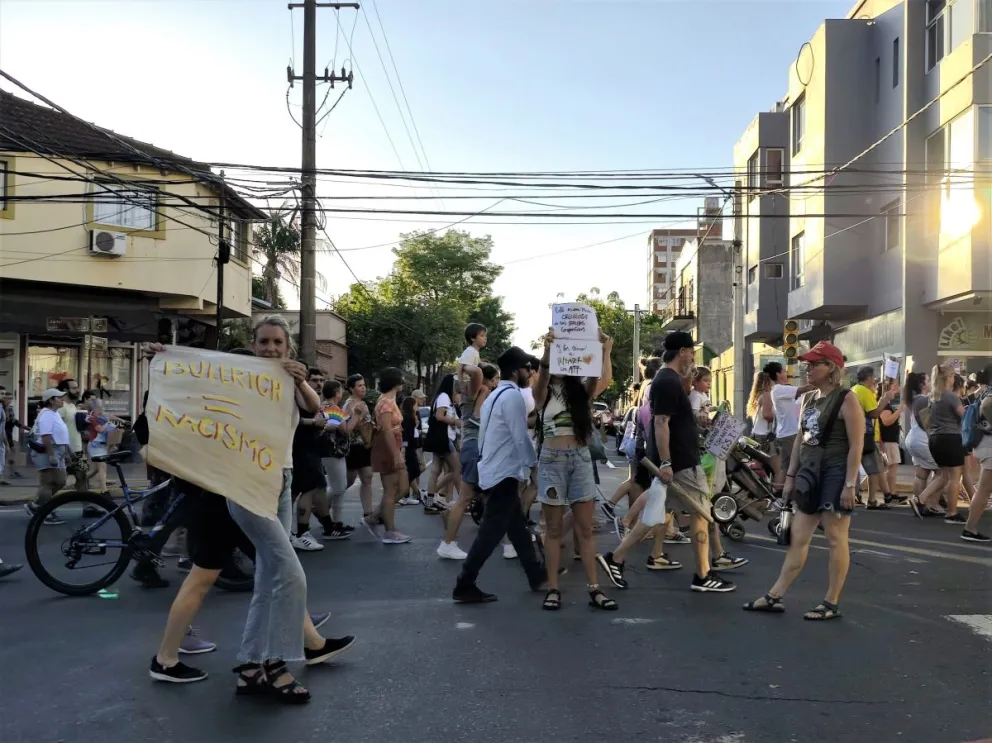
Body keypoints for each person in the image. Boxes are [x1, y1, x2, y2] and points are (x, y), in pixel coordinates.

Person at [148, 321, 350, 694]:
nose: (271, 348)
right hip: (241, 485)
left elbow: (313, 407)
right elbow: (193, 390)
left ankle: (252, 663)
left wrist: (301, 378)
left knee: (266, 578)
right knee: (287, 574)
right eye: (263, 342)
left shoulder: (288, 380)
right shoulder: (238, 379)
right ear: (253, 345)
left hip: (277, 482)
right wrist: (167, 361)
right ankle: (275, 662)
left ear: (288, 347)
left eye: (278, 342)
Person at [598, 331, 736, 593]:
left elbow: (672, 420)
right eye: (691, 354)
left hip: (678, 462)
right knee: (700, 516)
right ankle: (703, 576)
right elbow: (661, 423)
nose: (693, 360)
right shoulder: (666, 381)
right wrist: (666, 463)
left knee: (655, 515)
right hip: (681, 462)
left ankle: (615, 558)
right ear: (683, 352)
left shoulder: (671, 380)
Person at [743, 341, 864, 620]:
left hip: (835, 474)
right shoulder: (809, 398)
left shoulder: (847, 398)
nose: (807, 369)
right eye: (807, 364)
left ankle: (831, 603)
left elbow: (856, 445)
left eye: (814, 364)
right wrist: (789, 477)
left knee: (835, 537)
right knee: (798, 536)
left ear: (831, 368)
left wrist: (849, 484)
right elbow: (800, 438)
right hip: (809, 474)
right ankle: (774, 595)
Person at [453, 346, 548, 603]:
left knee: (516, 527)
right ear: (518, 371)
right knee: (489, 534)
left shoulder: (496, 395)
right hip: (503, 473)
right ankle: (464, 583)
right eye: (528, 368)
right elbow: (520, 437)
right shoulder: (513, 398)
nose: (530, 373)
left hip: (495, 470)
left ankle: (536, 575)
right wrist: (533, 468)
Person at [531, 328, 617, 611]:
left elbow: (600, 378)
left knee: (585, 530)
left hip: (579, 458)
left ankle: (595, 589)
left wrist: (604, 349)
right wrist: (546, 351)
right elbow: (541, 380)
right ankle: (553, 588)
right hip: (551, 460)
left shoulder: (581, 390)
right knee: (554, 530)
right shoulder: (543, 391)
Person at [437, 362, 499, 560]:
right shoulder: (484, 390)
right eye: (496, 377)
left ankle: (507, 543)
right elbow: (478, 417)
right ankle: (448, 542)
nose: (498, 382)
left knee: (491, 497)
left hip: (470, 445)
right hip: (476, 447)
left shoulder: (466, 391)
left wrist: (462, 369)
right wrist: (464, 365)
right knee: (467, 498)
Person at [369, 367, 412, 544]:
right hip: (388, 448)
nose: (403, 381)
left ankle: (374, 517)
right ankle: (390, 531)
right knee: (391, 490)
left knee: (402, 488)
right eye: (401, 378)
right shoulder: (386, 402)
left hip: (394, 445)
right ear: (395, 381)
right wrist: (396, 454)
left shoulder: (388, 400)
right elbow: (386, 430)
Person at [291, 368, 330, 552]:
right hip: (299, 448)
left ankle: (294, 533)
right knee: (305, 490)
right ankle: (301, 533)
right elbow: (292, 419)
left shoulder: (311, 397)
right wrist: (314, 423)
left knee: (300, 490)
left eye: (322, 380)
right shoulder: (296, 393)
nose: (319, 383)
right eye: (315, 380)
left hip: (310, 448)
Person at [318, 379, 360, 539]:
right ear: (337, 393)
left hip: (329, 451)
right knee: (339, 487)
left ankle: (337, 521)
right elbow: (346, 430)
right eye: (341, 390)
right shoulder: (333, 408)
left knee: (338, 487)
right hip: (333, 451)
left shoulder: (323, 407)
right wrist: (356, 415)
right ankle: (320, 508)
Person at [928, 364, 968, 524]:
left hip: (936, 439)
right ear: (947, 378)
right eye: (952, 376)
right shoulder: (950, 396)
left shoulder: (933, 396)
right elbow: (964, 416)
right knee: (954, 478)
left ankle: (922, 499)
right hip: (951, 438)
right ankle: (952, 512)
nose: (954, 379)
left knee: (943, 475)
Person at [25, 388, 71, 525]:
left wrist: (67, 452)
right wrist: (51, 455)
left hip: (59, 451)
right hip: (46, 451)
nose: (62, 399)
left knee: (61, 481)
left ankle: (35, 505)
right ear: (51, 400)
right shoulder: (46, 415)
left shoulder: (54, 414)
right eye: (59, 397)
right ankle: (44, 511)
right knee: (48, 482)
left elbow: (61, 435)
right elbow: (46, 436)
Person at [767, 362, 815, 493]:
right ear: (778, 374)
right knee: (792, 467)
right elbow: (802, 389)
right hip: (789, 434)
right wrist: (818, 381)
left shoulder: (782, 390)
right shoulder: (778, 389)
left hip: (786, 433)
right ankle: (787, 495)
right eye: (783, 371)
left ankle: (778, 495)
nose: (786, 373)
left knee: (785, 466)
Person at [851, 367, 895, 509]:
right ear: (868, 378)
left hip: (857, 434)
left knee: (866, 467)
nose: (874, 380)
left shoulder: (854, 389)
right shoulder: (864, 391)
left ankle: (862, 496)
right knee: (874, 469)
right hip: (866, 434)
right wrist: (885, 399)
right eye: (873, 378)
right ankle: (872, 500)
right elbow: (874, 413)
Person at [903, 372, 942, 518]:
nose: (931, 383)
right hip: (922, 440)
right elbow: (926, 423)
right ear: (922, 385)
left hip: (914, 439)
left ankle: (920, 505)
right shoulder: (923, 400)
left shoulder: (914, 399)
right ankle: (931, 504)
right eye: (928, 380)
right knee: (941, 473)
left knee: (921, 474)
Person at [962, 364, 992, 542]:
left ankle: (969, 527)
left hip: (983, 444)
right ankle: (969, 528)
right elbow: (987, 407)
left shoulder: (983, 391)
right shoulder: (989, 394)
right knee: (984, 489)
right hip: (989, 446)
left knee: (984, 489)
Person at [424, 374, 462, 510]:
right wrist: (456, 422)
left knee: (435, 470)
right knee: (457, 468)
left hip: (441, 438)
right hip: (444, 438)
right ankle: (431, 496)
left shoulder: (443, 397)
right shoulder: (444, 397)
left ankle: (430, 499)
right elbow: (440, 416)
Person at [343, 374, 375, 529]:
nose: (363, 388)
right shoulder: (350, 404)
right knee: (347, 481)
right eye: (359, 386)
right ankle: (325, 501)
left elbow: (367, 423)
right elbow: (351, 426)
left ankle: (368, 513)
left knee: (367, 477)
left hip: (365, 445)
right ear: (351, 388)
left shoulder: (363, 403)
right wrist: (360, 415)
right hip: (353, 446)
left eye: (364, 385)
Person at [55, 378, 88, 492]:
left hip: (78, 450)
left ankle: (87, 507)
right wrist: (65, 451)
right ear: (65, 390)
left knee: (82, 479)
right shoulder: (61, 407)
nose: (77, 390)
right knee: (57, 482)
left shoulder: (73, 406)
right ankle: (43, 504)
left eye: (77, 387)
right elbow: (56, 430)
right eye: (74, 388)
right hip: (65, 451)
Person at [877, 378, 907, 504]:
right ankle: (891, 493)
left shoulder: (883, 404)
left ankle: (890, 492)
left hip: (888, 440)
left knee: (883, 468)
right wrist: (899, 411)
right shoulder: (885, 405)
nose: (896, 391)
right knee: (891, 467)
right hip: (888, 440)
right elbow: (886, 421)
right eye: (893, 388)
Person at [400, 394, 424, 505]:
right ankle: (403, 494)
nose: (417, 406)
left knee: (412, 471)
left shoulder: (413, 417)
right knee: (413, 470)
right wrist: (403, 448)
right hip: (408, 447)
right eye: (415, 405)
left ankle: (414, 493)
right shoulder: (407, 418)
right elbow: (405, 434)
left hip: (412, 446)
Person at [457, 322, 487, 393]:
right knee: (484, 389)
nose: (485, 338)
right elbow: (460, 367)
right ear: (473, 338)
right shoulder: (470, 351)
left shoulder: (475, 352)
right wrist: (461, 384)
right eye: (482, 336)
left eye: (486, 336)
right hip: (465, 383)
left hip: (469, 382)